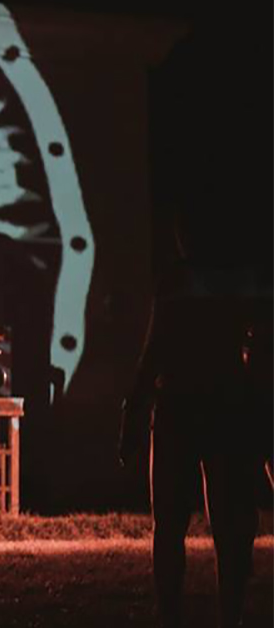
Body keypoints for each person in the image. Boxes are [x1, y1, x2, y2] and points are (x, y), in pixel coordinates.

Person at [120, 217, 269, 628]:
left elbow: (153, 353)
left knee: (169, 524)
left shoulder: (176, 283)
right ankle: (231, 616)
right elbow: (261, 350)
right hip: (228, 408)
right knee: (232, 527)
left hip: (178, 409)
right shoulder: (245, 280)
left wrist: (133, 413)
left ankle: (171, 615)